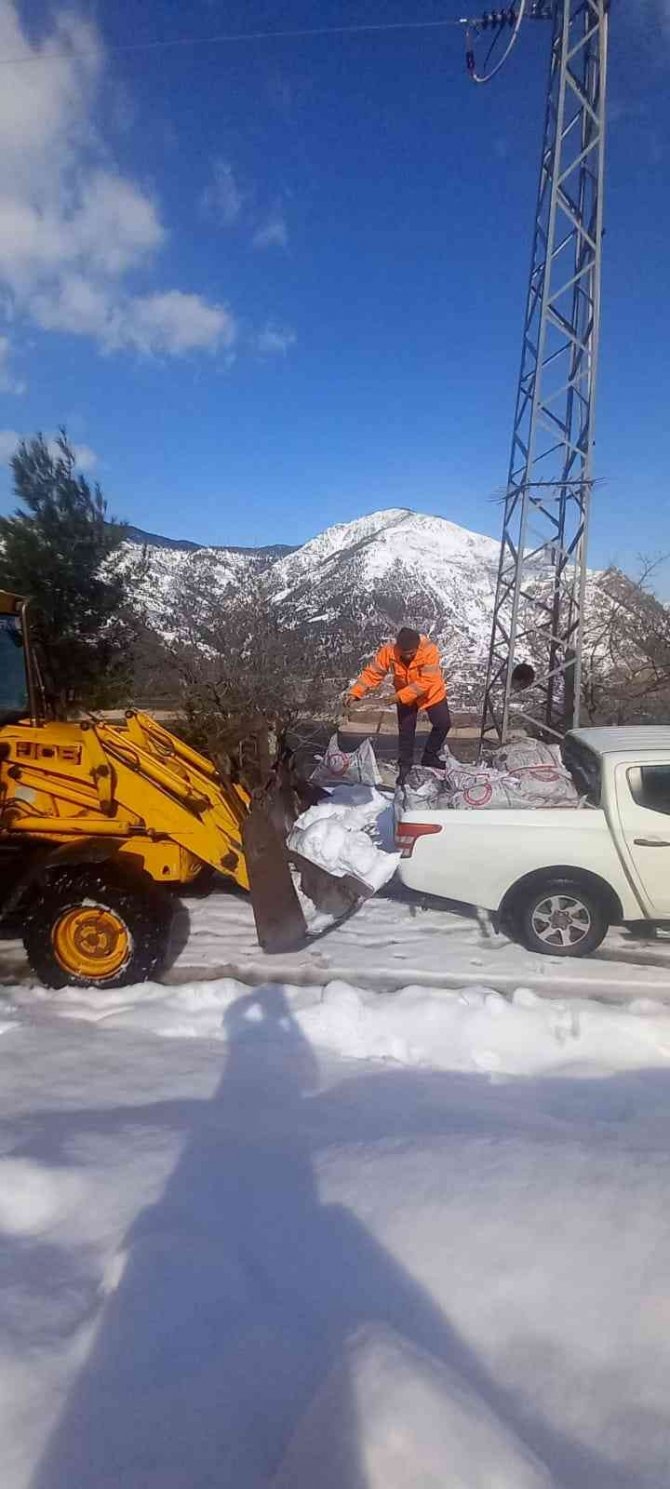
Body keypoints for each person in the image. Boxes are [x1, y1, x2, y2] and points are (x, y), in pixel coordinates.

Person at [345, 626, 450, 782]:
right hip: (404, 695)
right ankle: (405, 767)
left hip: (430, 693)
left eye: (411, 653)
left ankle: (429, 756)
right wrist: (356, 692)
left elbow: (427, 681)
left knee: (443, 723)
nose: (408, 656)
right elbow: (373, 673)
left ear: (417, 647)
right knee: (406, 732)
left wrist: (399, 697)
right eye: (405, 653)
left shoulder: (429, 650)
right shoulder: (389, 651)